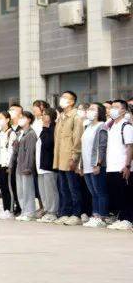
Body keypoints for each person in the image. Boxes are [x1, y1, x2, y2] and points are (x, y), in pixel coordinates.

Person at [53, 91, 84, 226]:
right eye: (62, 97)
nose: (62, 100)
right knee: (63, 188)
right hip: (60, 158)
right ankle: (65, 213)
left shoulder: (76, 117)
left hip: (70, 158)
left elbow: (77, 139)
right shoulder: (61, 117)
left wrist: (74, 157)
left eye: (65, 98)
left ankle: (76, 214)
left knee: (73, 188)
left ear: (72, 102)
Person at [104, 101, 133, 230]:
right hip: (111, 166)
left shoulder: (126, 126)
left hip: (122, 166)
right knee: (116, 193)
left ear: (124, 111)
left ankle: (128, 219)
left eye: (116, 107)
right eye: (112, 107)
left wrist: (127, 165)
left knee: (125, 194)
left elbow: (130, 147)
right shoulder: (111, 126)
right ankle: (121, 218)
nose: (112, 109)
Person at [80, 102, 109, 228]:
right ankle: (95, 215)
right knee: (93, 192)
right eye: (89, 109)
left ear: (99, 112)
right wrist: (81, 165)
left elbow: (102, 146)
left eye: (92, 109)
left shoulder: (102, 126)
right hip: (86, 165)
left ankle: (102, 216)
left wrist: (98, 163)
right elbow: (84, 147)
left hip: (96, 165)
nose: (89, 111)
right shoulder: (87, 127)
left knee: (100, 191)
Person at [13, 112, 38, 221]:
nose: (20, 119)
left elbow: (30, 152)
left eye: (23, 117)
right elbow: (16, 150)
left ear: (29, 120)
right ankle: (24, 211)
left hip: (26, 166)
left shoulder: (31, 134)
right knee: (21, 190)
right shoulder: (20, 133)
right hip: (19, 165)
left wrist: (28, 166)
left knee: (28, 190)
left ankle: (30, 212)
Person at [36, 108, 59, 222]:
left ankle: (53, 211)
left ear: (51, 117)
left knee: (51, 190)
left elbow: (48, 143)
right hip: (41, 165)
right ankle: (46, 209)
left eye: (45, 115)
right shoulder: (44, 129)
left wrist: (45, 128)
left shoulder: (53, 128)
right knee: (44, 190)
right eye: (43, 115)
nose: (43, 117)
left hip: (49, 164)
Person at [0, 111, 13, 219]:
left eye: (1, 118)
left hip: (5, 164)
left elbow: (11, 150)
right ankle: (5, 209)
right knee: (2, 187)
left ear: (7, 120)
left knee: (7, 187)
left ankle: (9, 210)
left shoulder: (11, 133)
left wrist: (8, 164)